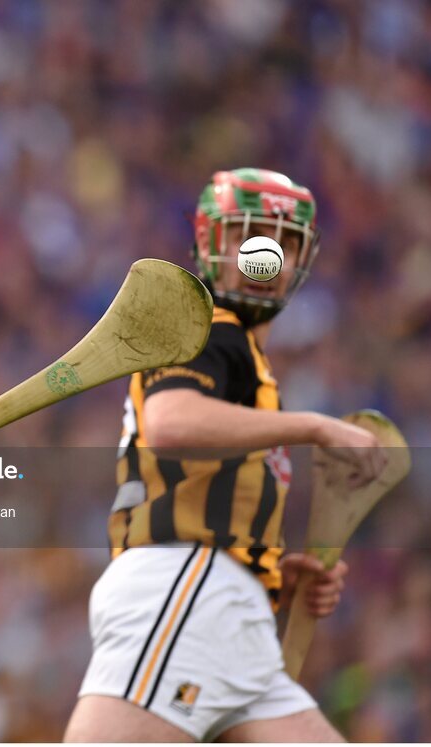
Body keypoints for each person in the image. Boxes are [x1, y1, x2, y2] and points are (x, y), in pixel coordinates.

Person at [64, 168, 387, 743]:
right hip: (184, 588)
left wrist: (267, 571)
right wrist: (316, 427)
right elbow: (170, 424)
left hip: (232, 614)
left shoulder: (244, 356)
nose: (270, 255)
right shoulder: (206, 328)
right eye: (251, 236)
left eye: (286, 244)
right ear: (211, 243)